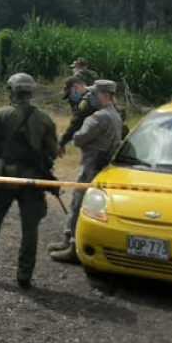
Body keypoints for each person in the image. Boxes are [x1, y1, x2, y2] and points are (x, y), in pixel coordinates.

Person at [0, 72, 58, 290]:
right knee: (30, 228)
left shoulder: (0, 115)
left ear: (11, 91)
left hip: (3, 177)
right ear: (31, 92)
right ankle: (24, 276)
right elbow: (51, 152)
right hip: (33, 181)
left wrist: (2, 160)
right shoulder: (45, 119)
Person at [50, 80, 124, 263]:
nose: (90, 97)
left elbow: (79, 139)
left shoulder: (98, 117)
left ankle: (74, 247)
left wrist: (79, 126)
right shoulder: (116, 115)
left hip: (91, 164)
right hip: (102, 165)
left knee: (78, 203)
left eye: (95, 94)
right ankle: (68, 240)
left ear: (105, 95)